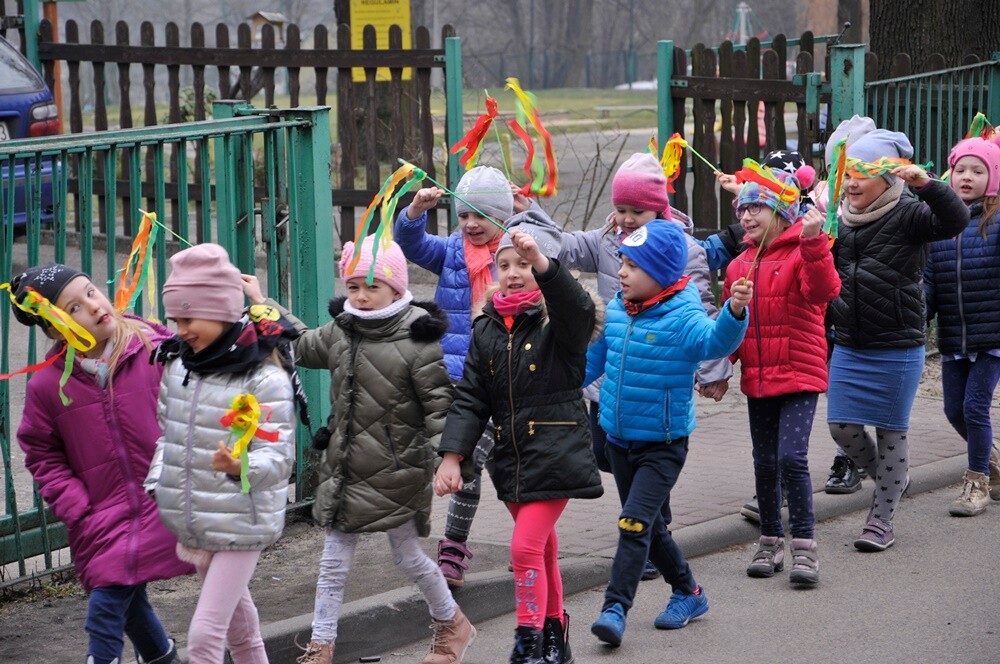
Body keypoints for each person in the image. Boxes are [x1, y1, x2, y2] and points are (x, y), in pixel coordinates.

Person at [243, 236, 475, 664]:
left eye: (373, 286)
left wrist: (451, 459)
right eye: (353, 286)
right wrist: (262, 303)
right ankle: (321, 646)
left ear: (396, 287)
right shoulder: (341, 331)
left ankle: (450, 623)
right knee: (333, 562)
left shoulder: (417, 341)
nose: (362, 296)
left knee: (407, 557)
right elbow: (300, 342)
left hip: (398, 469)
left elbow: (442, 406)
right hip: (346, 468)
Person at [555, 151, 732, 580]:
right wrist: (528, 221)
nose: (628, 218)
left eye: (637, 210)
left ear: (659, 207)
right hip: (613, 378)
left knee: (645, 465)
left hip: (658, 383)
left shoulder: (682, 250)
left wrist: (713, 371)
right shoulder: (605, 240)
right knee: (604, 453)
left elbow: (706, 312)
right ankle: (649, 517)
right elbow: (560, 248)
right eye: (621, 209)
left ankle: (653, 531)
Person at [434, 221, 603, 664]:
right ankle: (554, 635)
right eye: (504, 263)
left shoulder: (559, 324)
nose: (512, 271)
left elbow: (578, 310)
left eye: (524, 264)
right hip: (511, 461)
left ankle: (527, 643)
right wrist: (453, 456)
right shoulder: (487, 327)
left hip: (557, 455)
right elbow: (471, 397)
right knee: (542, 549)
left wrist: (545, 264)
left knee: (524, 548)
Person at [11, 263, 192, 664]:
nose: (93, 307)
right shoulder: (48, 386)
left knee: (110, 599)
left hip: (162, 498)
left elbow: (195, 402)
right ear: (56, 329)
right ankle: (162, 657)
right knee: (121, 592)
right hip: (101, 511)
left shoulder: (152, 348)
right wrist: (77, 506)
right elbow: (41, 452)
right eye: (73, 307)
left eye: (90, 292)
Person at [587, 220, 751, 646]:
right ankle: (689, 592)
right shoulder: (619, 308)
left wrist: (734, 314)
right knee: (651, 527)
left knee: (633, 524)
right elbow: (591, 363)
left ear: (659, 272)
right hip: (618, 438)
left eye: (632, 266)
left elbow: (712, 343)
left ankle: (614, 608)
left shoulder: (683, 312)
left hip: (662, 444)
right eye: (621, 262)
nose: (621, 272)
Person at [145, 243, 299, 663]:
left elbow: (280, 457)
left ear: (222, 312)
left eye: (189, 318)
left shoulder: (264, 377)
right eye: (175, 319)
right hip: (195, 515)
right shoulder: (180, 367)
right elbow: (168, 435)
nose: (181, 330)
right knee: (241, 631)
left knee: (204, 636)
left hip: (242, 516)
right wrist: (160, 483)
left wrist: (239, 465)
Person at [824, 123, 969, 551]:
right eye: (846, 172)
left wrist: (927, 185)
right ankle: (894, 479)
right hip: (850, 340)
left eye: (860, 174)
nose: (849, 182)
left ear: (888, 178)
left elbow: (955, 218)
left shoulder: (909, 213)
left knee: (891, 432)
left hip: (898, 343)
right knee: (842, 427)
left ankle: (881, 519)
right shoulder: (839, 218)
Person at [395, 165, 520, 586]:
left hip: (504, 375)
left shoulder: (516, 255)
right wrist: (414, 213)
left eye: (479, 216)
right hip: (458, 378)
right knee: (470, 458)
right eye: (463, 215)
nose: (469, 224)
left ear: (501, 216)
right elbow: (411, 246)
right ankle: (455, 551)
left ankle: (526, 540)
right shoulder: (450, 250)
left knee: (488, 462)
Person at [722, 170, 840, 584]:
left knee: (792, 459)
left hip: (799, 374)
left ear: (783, 212)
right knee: (765, 463)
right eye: (743, 209)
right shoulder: (738, 263)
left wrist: (813, 242)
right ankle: (769, 540)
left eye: (758, 207)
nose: (748, 216)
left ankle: (804, 548)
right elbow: (731, 326)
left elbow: (824, 291)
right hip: (758, 378)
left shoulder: (804, 251)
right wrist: (722, 368)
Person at [924, 135, 1000, 516]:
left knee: (974, 407)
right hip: (954, 334)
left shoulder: (997, 220)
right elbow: (928, 281)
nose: (966, 176)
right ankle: (995, 462)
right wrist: (916, 319)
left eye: (978, 170)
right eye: (960, 169)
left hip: (992, 335)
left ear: (994, 177)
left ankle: (977, 485)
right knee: (954, 410)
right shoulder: (937, 225)